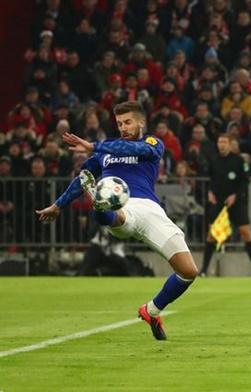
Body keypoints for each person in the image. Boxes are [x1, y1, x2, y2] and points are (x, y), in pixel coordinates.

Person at [35, 101, 198, 341]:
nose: (123, 127)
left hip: (151, 210)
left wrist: (93, 146)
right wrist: (58, 205)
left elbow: (144, 152)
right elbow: (83, 178)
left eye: (128, 122)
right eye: (119, 123)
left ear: (141, 122)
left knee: (188, 271)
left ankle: (151, 310)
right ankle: (101, 204)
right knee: (114, 210)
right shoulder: (105, 152)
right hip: (124, 206)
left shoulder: (152, 143)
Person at [201, 133, 251, 277]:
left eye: (224, 142)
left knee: (246, 232)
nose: (221, 144)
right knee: (211, 235)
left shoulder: (238, 160)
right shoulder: (213, 160)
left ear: (230, 144)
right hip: (217, 201)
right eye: (219, 142)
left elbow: (244, 181)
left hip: (235, 202)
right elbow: (209, 179)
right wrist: (210, 192)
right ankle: (203, 270)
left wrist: (235, 195)